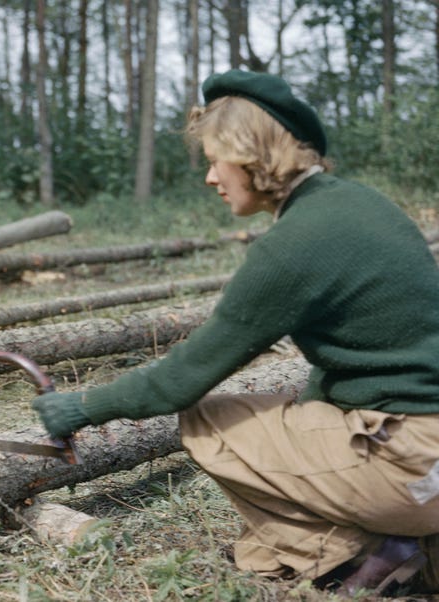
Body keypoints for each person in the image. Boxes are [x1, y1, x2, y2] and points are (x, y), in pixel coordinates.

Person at [31, 70, 439, 596]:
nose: (210, 178)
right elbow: (355, 357)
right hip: (426, 448)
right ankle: (401, 542)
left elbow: (183, 378)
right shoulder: (360, 204)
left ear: (250, 155)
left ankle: (359, 556)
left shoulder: (294, 244)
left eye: (214, 160)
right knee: (299, 422)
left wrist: (84, 406)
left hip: (415, 460)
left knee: (212, 421)